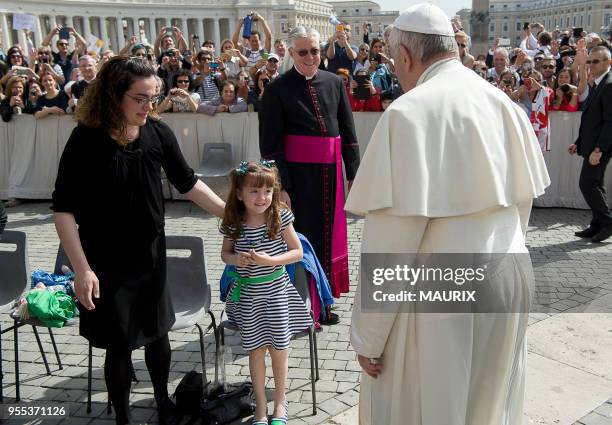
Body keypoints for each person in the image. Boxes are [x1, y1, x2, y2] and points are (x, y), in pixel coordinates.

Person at [346, 4, 549, 425]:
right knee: (488, 407)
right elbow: (523, 204)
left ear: (405, 56)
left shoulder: (407, 112)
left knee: (427, 409)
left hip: (443, 290)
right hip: (509, 272)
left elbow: (391, 240)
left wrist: (368, 337)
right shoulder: (504, 103)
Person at [51, 56, 225, 425]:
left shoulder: (158, 132)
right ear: (114, 95)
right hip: (104, 260)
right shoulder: (86, 137)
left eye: (154, 96)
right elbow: (63, 209)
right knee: (119, 345)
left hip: (150, 255)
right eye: (141, 98)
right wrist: (81, 269)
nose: (150, 106)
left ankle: (163, 403)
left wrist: (230, 214)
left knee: (158, 336)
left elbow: (188, 182)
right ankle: (124, 419)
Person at [259, 26, 360, 309]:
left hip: (331, 178)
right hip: (299, 180)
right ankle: (304, 304)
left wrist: (354, 174)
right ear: (291, 53)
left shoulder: (334, 82)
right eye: (302, 51)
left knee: (330, 239)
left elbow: (349, 134)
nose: (310, 56)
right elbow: (270, 146)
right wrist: (281, 188)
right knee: (304, 240)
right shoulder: (277, 90)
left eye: (314, 50)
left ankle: (326, 303)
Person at [220, 160, 311, 425]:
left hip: (277, 294)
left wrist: (271, 261)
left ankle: (280, 403)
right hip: (248, 296)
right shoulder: (234, 221)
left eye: (267, 192)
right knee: (256, 351)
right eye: (254, 191)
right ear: (239, 193)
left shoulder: (279, 216)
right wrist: (236, 259)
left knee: (279, 349)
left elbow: (298, 252)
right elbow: (225, 253)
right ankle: (260, 406)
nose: (262, 198)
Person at [568, 46, 612, 242]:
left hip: (600, 146)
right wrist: (579, 142)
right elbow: (591, 119)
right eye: (590, 61)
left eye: (596, 61)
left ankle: (607, 222)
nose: (591, 65)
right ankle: (597, 224)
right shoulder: (598, 84)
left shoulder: (609, 85)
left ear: (608, 63)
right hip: (593, 144)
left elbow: (610, 122)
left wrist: (599, 149)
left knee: (587, 183)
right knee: (596, 183)